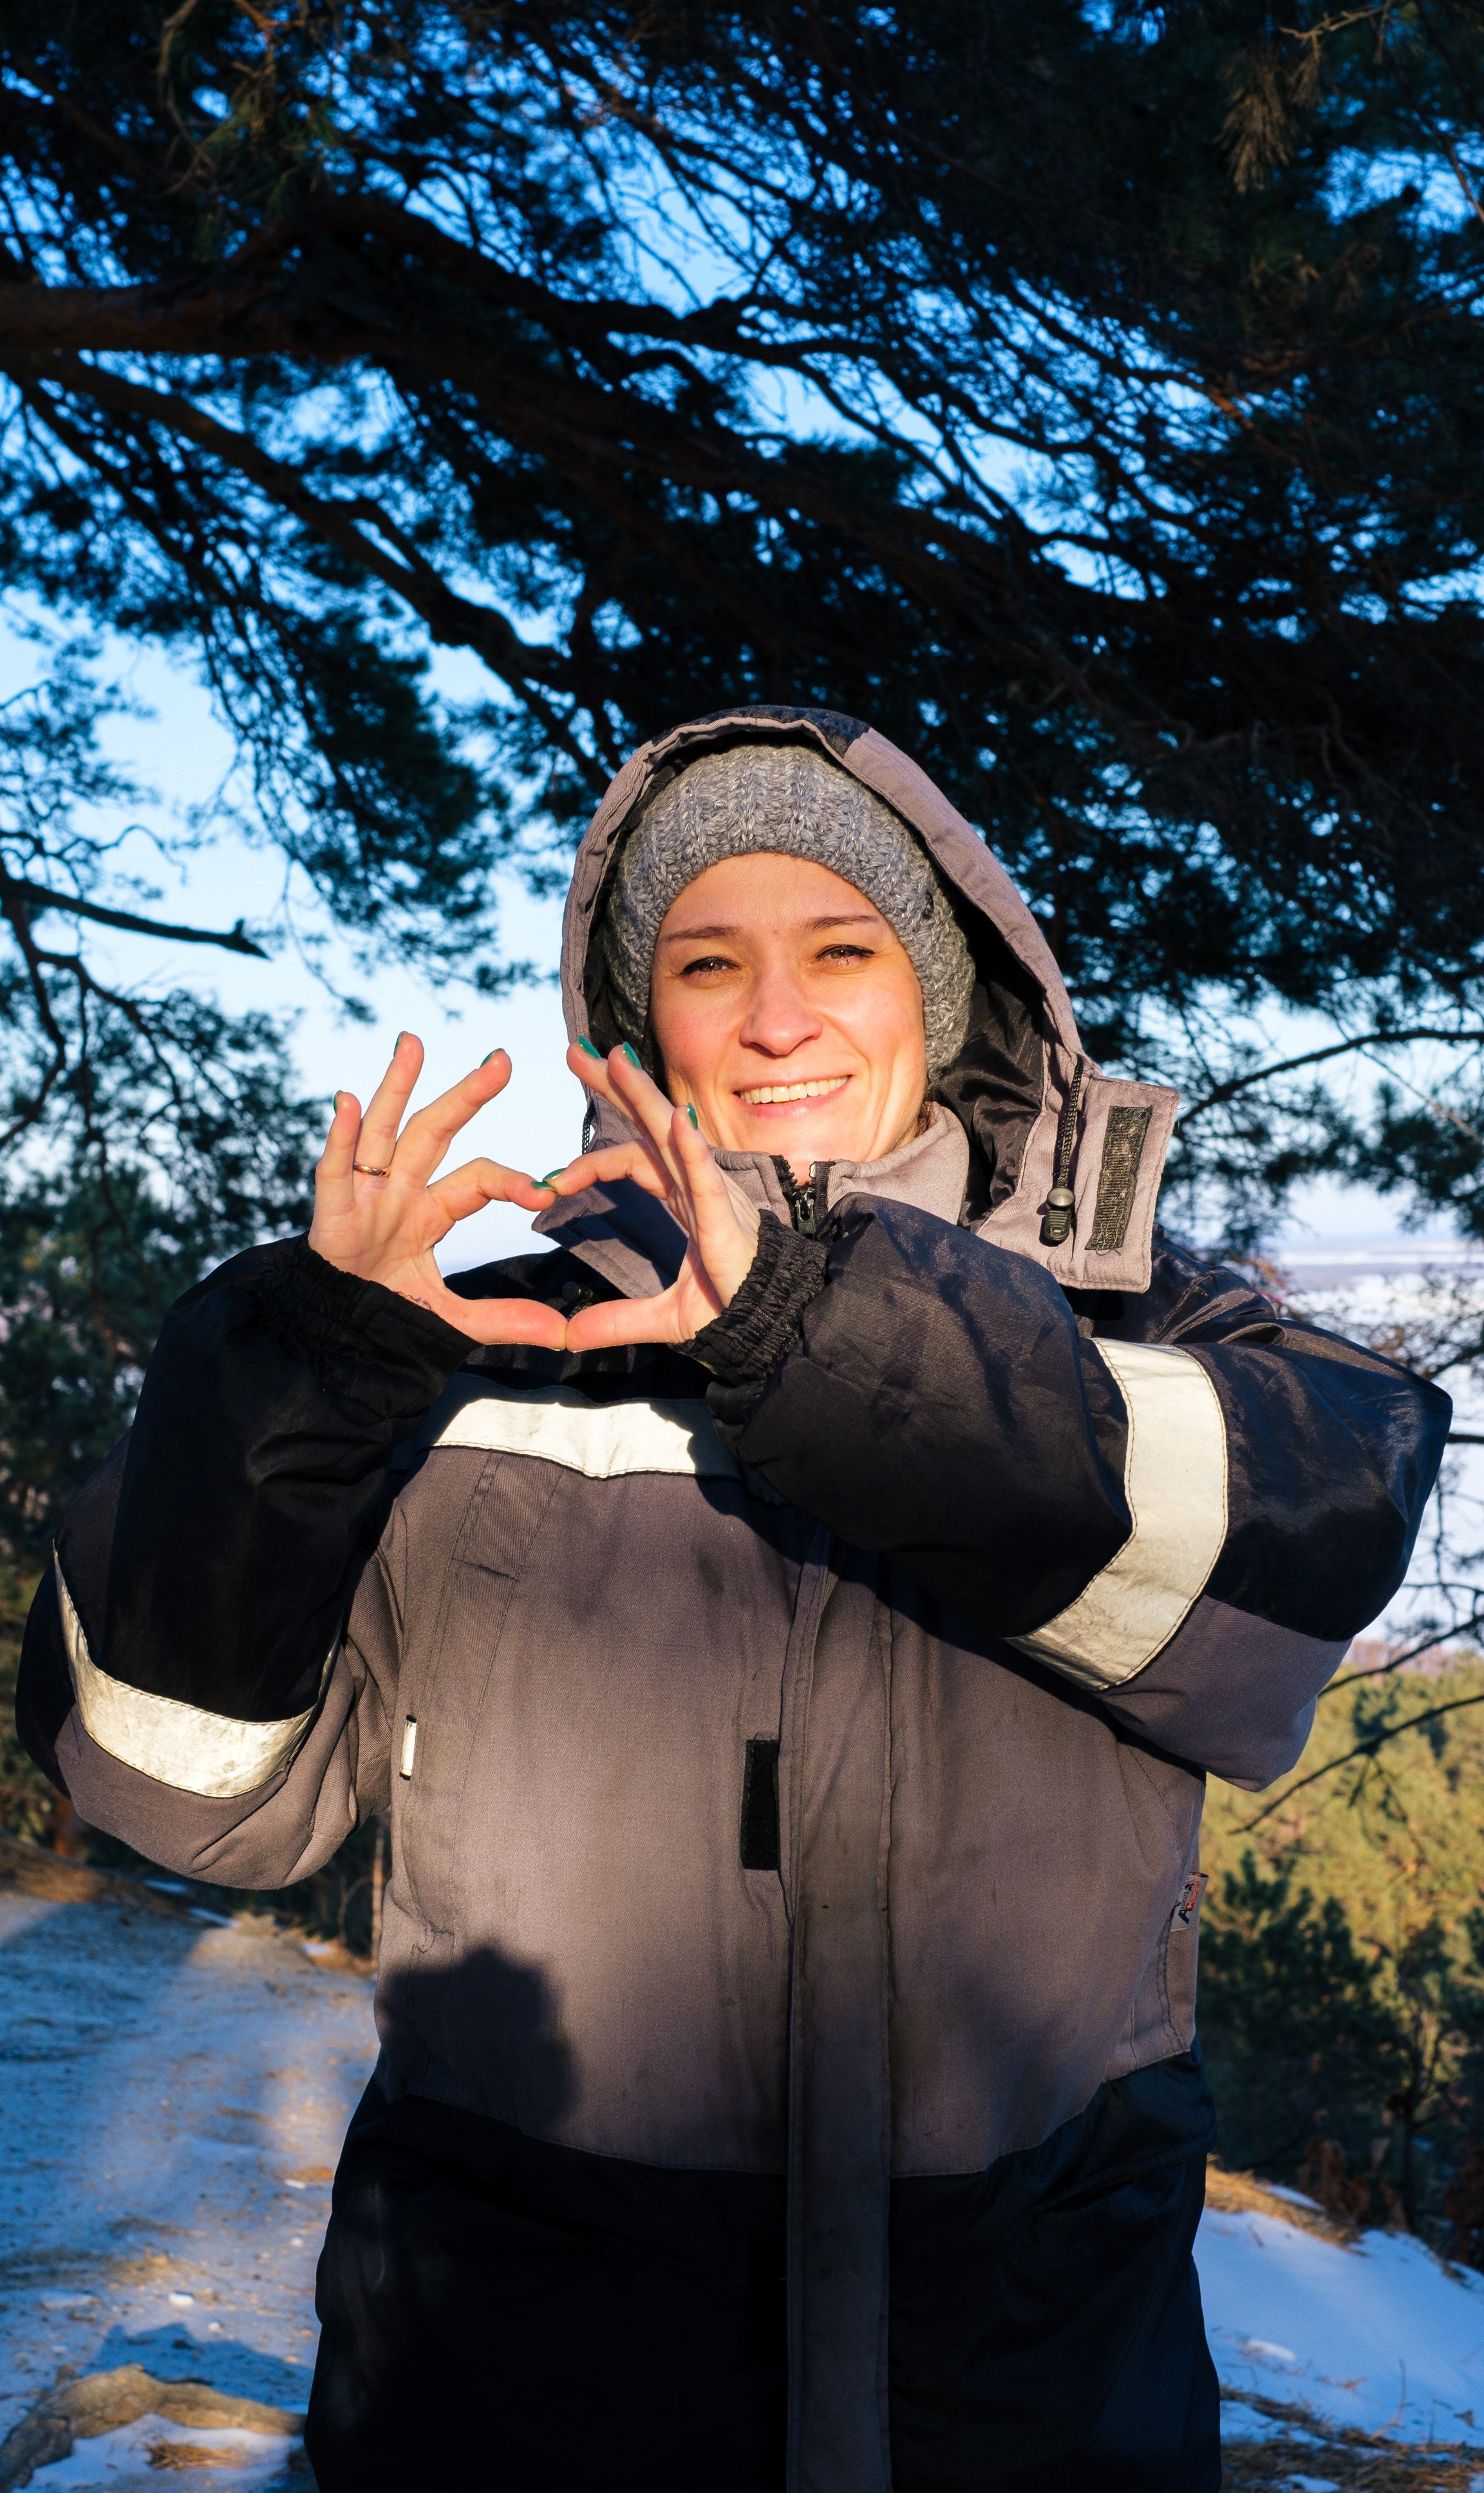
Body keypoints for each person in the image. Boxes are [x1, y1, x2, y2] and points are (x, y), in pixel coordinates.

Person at [17, 703, 1449, 2492]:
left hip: (1026, 2399)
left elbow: (1309, 1544)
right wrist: (299, 1372)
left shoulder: (1153, 1333)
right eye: (708, 964)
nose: (776, 1018)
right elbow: (185, 1796)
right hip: (525, 2407)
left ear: (944, 994)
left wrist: (806, 1325)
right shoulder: (486, 1360)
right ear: (642, 1026)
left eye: (842, 950)